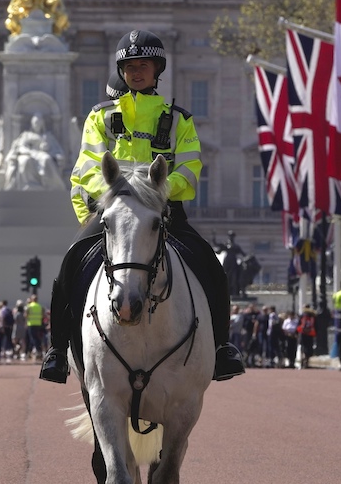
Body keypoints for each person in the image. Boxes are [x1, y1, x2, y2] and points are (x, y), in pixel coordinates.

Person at [39, 30, 245, 384]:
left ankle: (222, 348)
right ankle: (58, 350)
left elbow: (191, 168)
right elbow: (87, 166)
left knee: (211, 266)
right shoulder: (100, 117)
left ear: (156, 69)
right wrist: (112, 199)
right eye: (129, 66)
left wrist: (159, 192)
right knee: (70, 263)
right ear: (121, 72)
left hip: (163, 211)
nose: (136, 72)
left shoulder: (179, 119)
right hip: (115, 213)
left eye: (143, 65)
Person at [25, 293, 46, 358]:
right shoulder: (40, 306)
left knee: (33, 338)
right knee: (34, 337)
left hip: (31, 324)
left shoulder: (29, 306)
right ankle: (29, 351)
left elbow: (26, 315)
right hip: (38, 324)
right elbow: (43, 315)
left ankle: (38, 350)